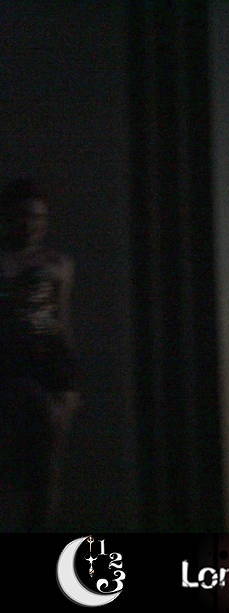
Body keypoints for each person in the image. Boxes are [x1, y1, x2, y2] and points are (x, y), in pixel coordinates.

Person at [0, 179, 79, 530]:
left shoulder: (57, 263)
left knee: (47, 464)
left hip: (47, 365)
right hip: (8, 363)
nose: (31, 225)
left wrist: (71, 381)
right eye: (23, 216)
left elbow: (61, 321)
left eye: (38, 218)